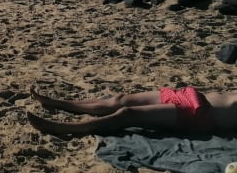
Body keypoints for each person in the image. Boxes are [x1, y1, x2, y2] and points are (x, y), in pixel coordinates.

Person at [27, 84, 237, 137]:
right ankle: (58, 103)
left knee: (127, 115)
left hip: (198, 115)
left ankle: (65, 128)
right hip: (191, 95)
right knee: (120, 100)